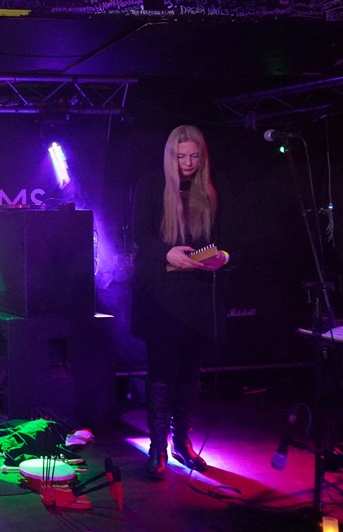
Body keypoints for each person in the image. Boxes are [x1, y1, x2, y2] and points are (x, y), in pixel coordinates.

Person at [132, 124, 229, 481]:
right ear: (170, 156)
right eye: (181, 156)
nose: (187, 163)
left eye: (194, 156)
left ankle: (181, 443)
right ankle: (158, 446)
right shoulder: (152, 185)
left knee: (190, 372)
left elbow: (226, 237)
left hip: (197, 295)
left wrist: (223, 256)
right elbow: (139, 234)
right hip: (161, 295)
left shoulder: (210, 191)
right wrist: (166, 252)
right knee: (162, 371)